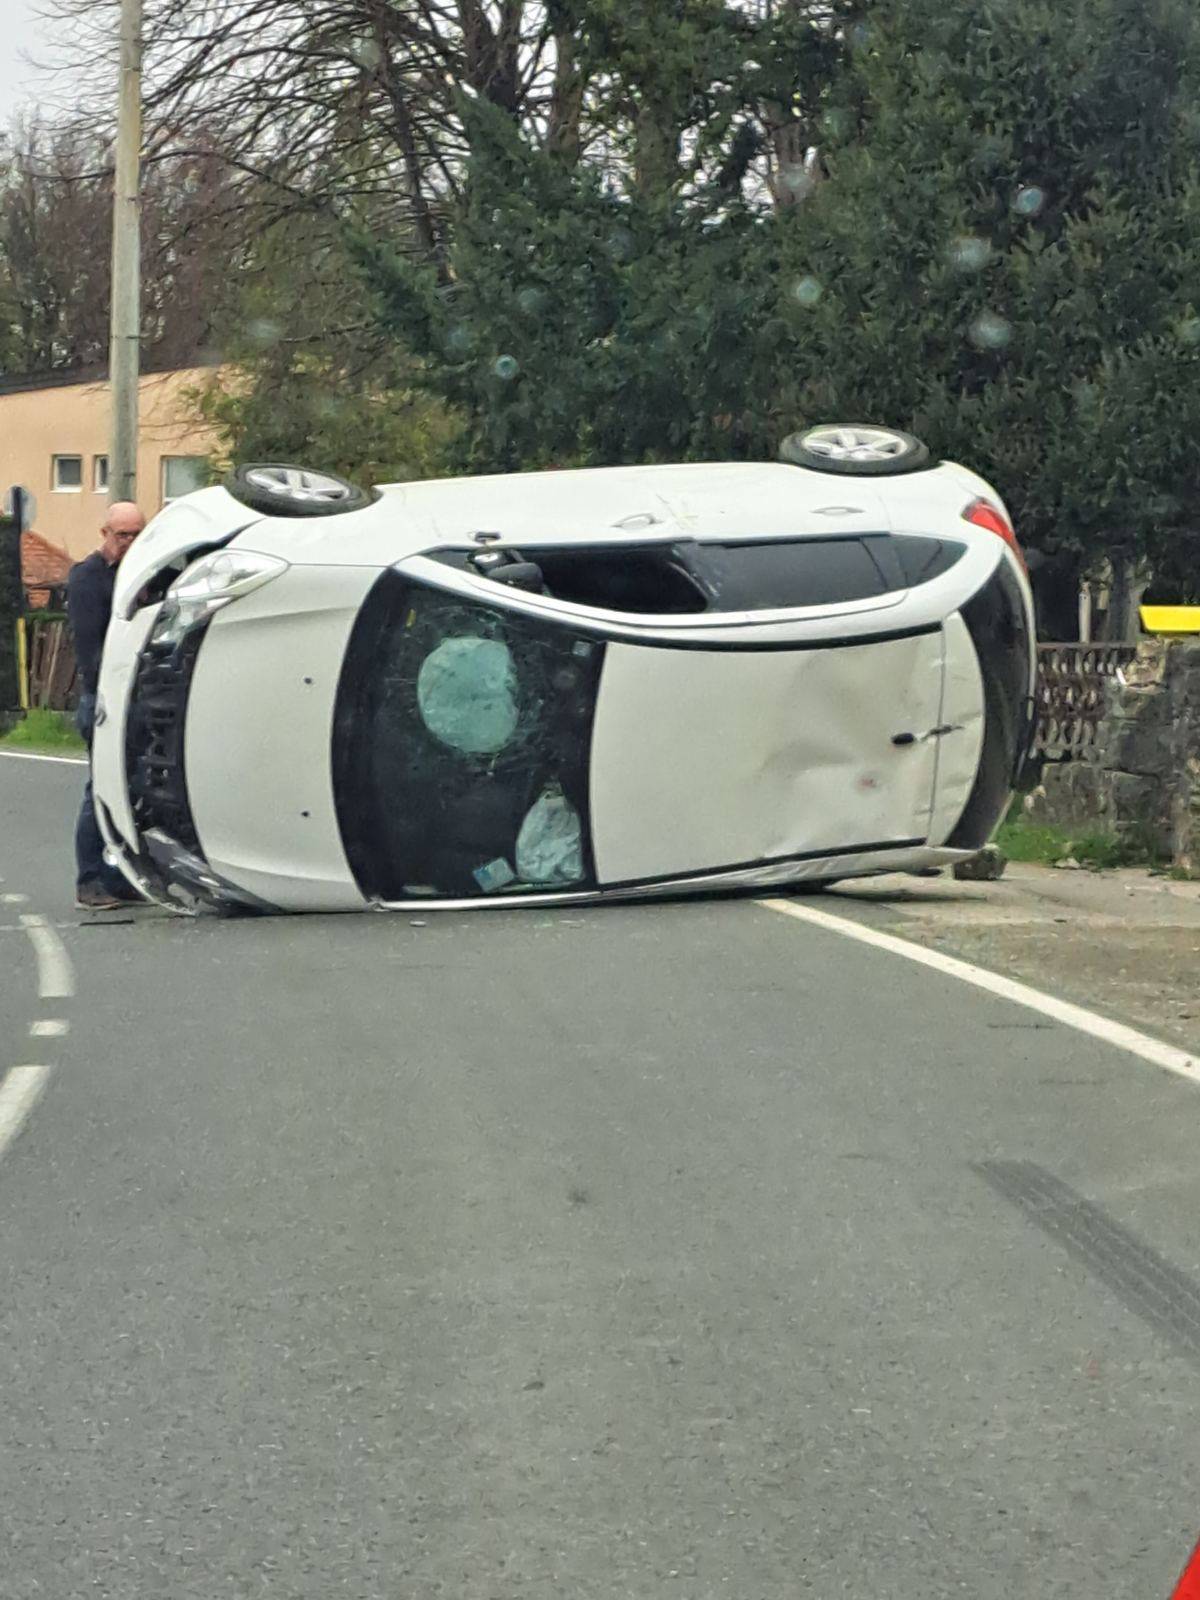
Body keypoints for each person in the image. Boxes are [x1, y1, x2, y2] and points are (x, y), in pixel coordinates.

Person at [68, 501, 146, 909]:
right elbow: (92, 649)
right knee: (101, 789)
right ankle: (89, 880)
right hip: (103, 699)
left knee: (133, 789)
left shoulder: (146, 577)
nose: (130, 542)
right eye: (122, 535)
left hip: (138, 697)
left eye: (137, 534)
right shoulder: (88, 579)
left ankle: (118, 876)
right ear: (105, 534)